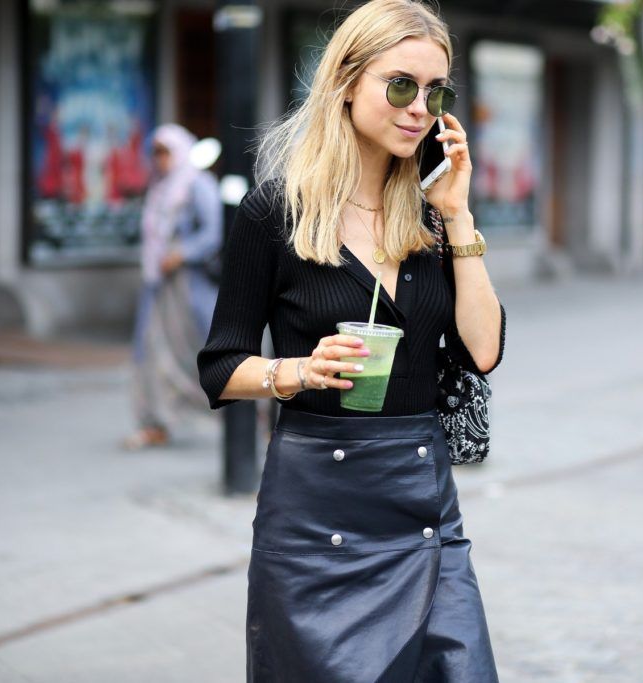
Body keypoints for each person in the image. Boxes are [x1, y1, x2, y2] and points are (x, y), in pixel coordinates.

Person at [197, 1, 505, 679]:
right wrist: (299, 371)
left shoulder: (433, 217)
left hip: (423, 508)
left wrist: (459, 216)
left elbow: (483, 350)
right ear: (345, 82)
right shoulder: (275, 212)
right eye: (400, 86)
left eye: (436, 92)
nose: (419, 108)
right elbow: (219, 367)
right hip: (314, 515)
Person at [124, 124, 222, 450]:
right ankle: (156, 422)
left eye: (165, 152)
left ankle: (247, 417)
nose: (159, 159)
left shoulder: (197, 184)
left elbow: (213, 232)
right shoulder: (159, 188)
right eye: (154, 152)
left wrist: (182, 253)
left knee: (200, 351)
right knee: (150, 350)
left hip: (189, 285)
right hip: (159, 283)